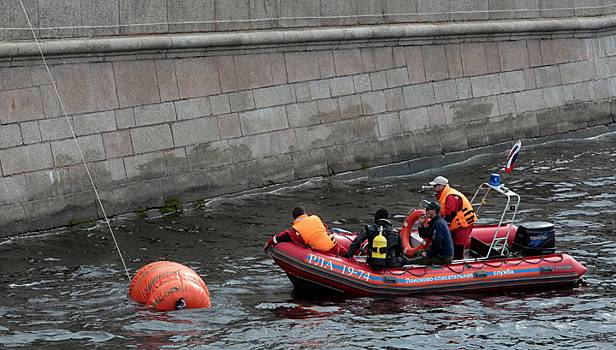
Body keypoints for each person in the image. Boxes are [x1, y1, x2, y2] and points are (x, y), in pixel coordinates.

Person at [263, 207, 348, 256]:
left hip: (323, 251)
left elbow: (281, 237)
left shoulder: (296, 229)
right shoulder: (315, 218)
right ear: (305, 213)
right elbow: (325, 228)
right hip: (334, 245)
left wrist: (269, 243)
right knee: (346, 254)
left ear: (294, 218)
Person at [429, 175, 477, 260]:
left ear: (441, 186)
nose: (433, 187)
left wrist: (443, 227)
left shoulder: (451, 197)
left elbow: (450, 214)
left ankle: (458, 261)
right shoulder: (445, 194)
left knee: (458, 244)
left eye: (435, 186)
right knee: (450, 240)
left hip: (464, 224)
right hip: (456, 223)